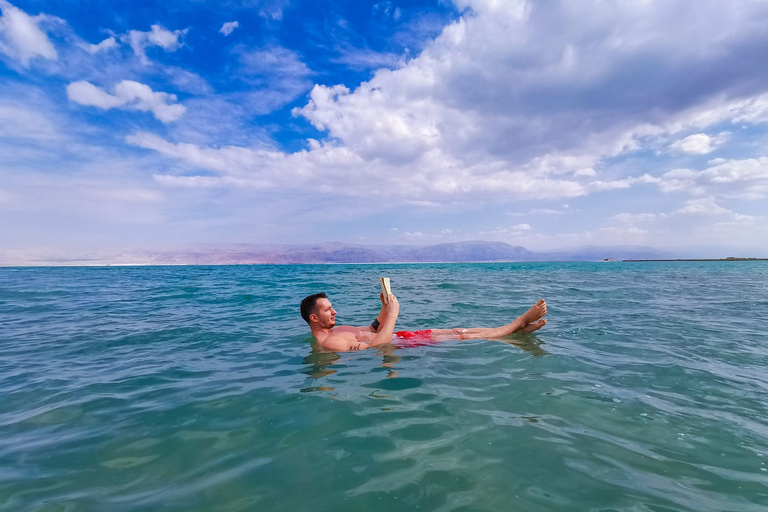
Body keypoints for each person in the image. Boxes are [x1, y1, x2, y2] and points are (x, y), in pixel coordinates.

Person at [300, 291, 547, 352]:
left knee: (458, 330)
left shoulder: (341, 329)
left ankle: (520, 330)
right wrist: (394, 314)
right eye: (328, 309)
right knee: (463, 337)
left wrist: (386, 306)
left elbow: (374, 329)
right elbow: (378, 347)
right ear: (314, 318)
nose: (335, 312)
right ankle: (520, 321)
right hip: (403, 346)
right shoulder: (330, 345)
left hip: (403, 336)